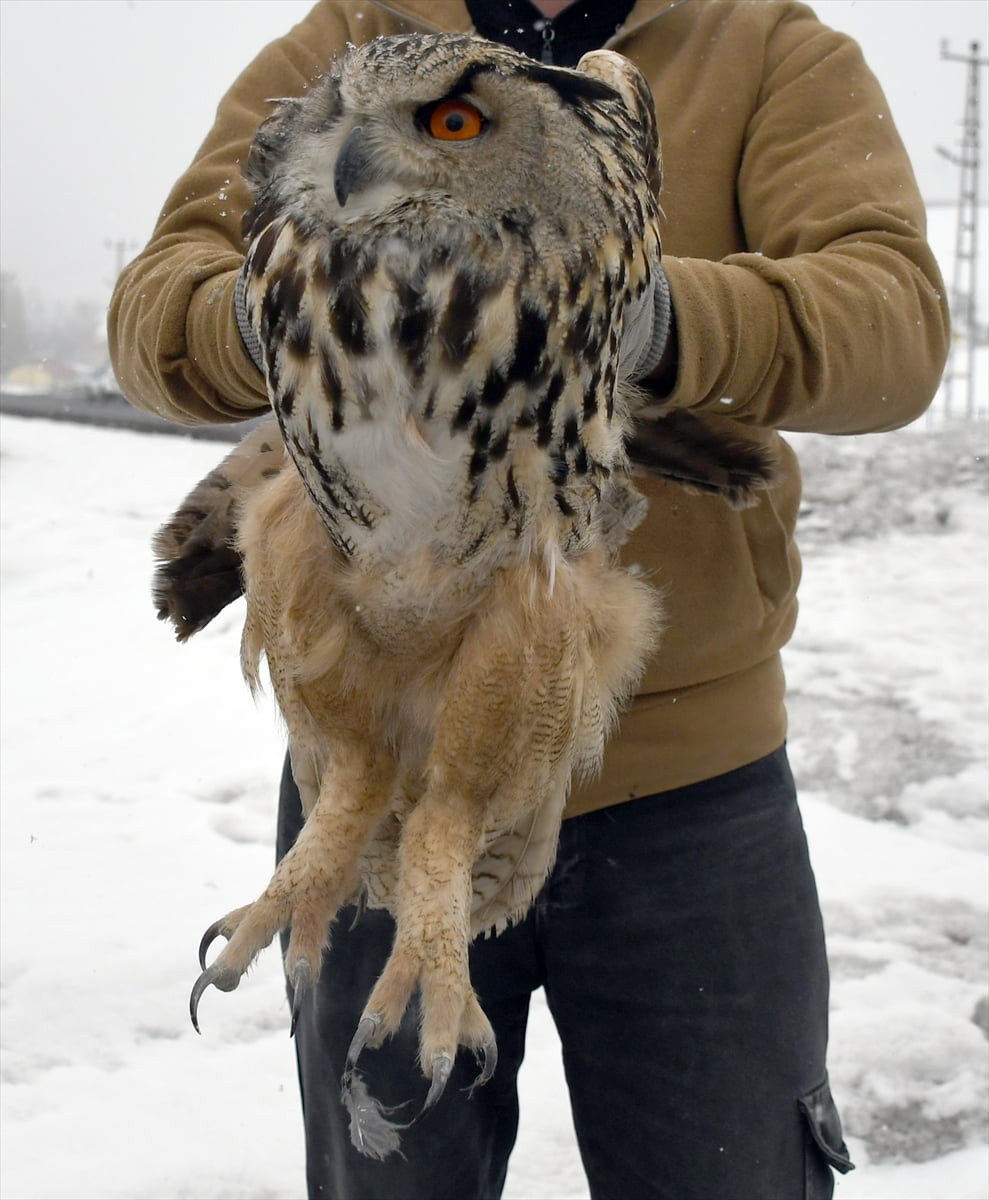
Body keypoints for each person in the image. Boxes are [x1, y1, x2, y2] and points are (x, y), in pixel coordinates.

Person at [107, 2, 950, 1197]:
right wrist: (280, 305)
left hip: (686, 794)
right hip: (376, 761)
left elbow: (896, 327)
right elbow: (152, 315)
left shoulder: (762, 44)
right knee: (386, 1171)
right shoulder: (355, 35)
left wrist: (643, 316)